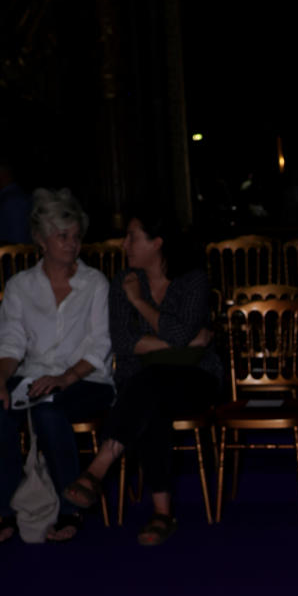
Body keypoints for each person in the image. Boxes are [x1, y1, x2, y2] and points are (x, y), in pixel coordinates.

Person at [62, 212, 221, 545]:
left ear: (157, 242)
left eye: (132, 237)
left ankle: (100, 467)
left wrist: (140, 303)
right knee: (153, 398)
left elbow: (171, 333)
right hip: (144, 382)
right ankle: (162, 515)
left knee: (151, 386)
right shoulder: (122, 281)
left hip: (196, 379)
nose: (124, 244)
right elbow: (123, 343)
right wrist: (184, 339)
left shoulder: (192, 280)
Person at [0, 188, 113, 542]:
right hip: (33, 377)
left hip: (89, 379)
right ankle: (9, 512)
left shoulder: (94, 284)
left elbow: (100, 345)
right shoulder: (20, 286)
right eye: (63, 236)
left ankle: (71, 511)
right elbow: (9, 341)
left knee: (48, 410)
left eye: (75, 236)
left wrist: (65, 378)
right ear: (41, 240)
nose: (72, 244)